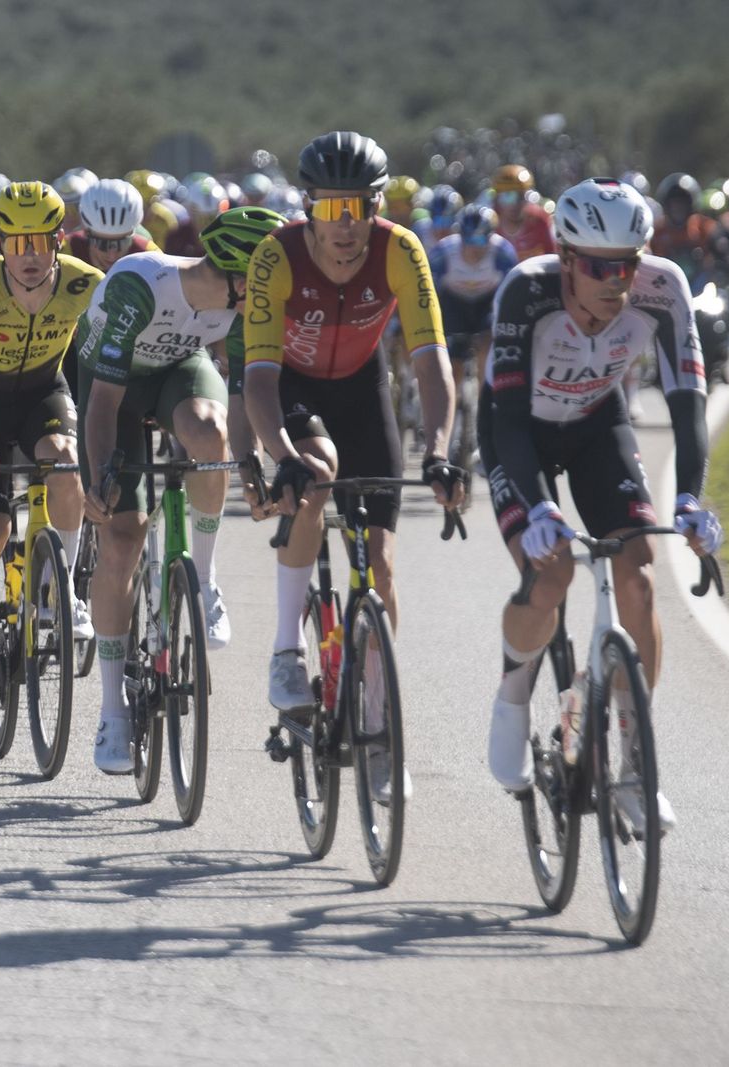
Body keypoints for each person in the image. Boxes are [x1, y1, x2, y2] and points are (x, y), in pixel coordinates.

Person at [483, 178, 722, 835]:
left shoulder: (663, 288)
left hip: (596, 424)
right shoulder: (525, 292)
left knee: (639, 577)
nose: (617, 282)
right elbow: (505, 421)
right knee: (552, 572)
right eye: (599, 267)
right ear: (565, 259)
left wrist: (693, 498)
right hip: (519, 432)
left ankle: (635, 771)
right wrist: (536, 508)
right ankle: (510, 700)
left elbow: (687, 406)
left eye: (629, 264)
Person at [242, 131, 461, 761]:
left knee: (382, 566)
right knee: (315, 473)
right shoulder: (275, 256)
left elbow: (430, 361)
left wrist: (440, 449)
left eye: (360, 207)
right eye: (332, 209)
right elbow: (257, 377)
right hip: (289, 386)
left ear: (377, 205)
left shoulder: (399, 249)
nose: (347, 225)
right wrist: (278, 454)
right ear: (308, 206)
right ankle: (287, 650)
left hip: (364, 390)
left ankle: (373, 712)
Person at [79, 206, 285, 772]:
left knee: (210, 432)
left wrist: (251, 465)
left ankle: (205, 577)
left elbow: (242, 399)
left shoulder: (244, 308)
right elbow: (102, 403)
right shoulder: (139, 284)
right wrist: (99, 479)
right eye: (262, 284)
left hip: (177, 371)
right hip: (109, 389)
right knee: (123, 536)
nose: (270, 297)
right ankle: (113, 710)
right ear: (235, 274)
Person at [0, 181, 104, 711]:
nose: (29, 255)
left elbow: (111, 362)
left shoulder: (88, 286)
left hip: (42, 393)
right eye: (16, 243)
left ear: (59, 240)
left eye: (40, 241)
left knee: (64, 462)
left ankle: (67, 594)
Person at [428, 203, 517, 462]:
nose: (475, 246)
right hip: (453, 305)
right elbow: (429, 294)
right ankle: (452, 431)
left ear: (491, 236)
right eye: (470, 238)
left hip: (485, 306)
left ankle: (481, 412)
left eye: (481, 238)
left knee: (487, 351)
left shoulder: (502, 253)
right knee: (453, 368)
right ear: (460, 236)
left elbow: (511, 294)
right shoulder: (443, 253)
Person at [491, 164, 557, 262]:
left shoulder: (540, 220)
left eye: (521, 197)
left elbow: (552, 257)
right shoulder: (490, 222)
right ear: (497, 198)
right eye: (507, 197)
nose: (514, 204)